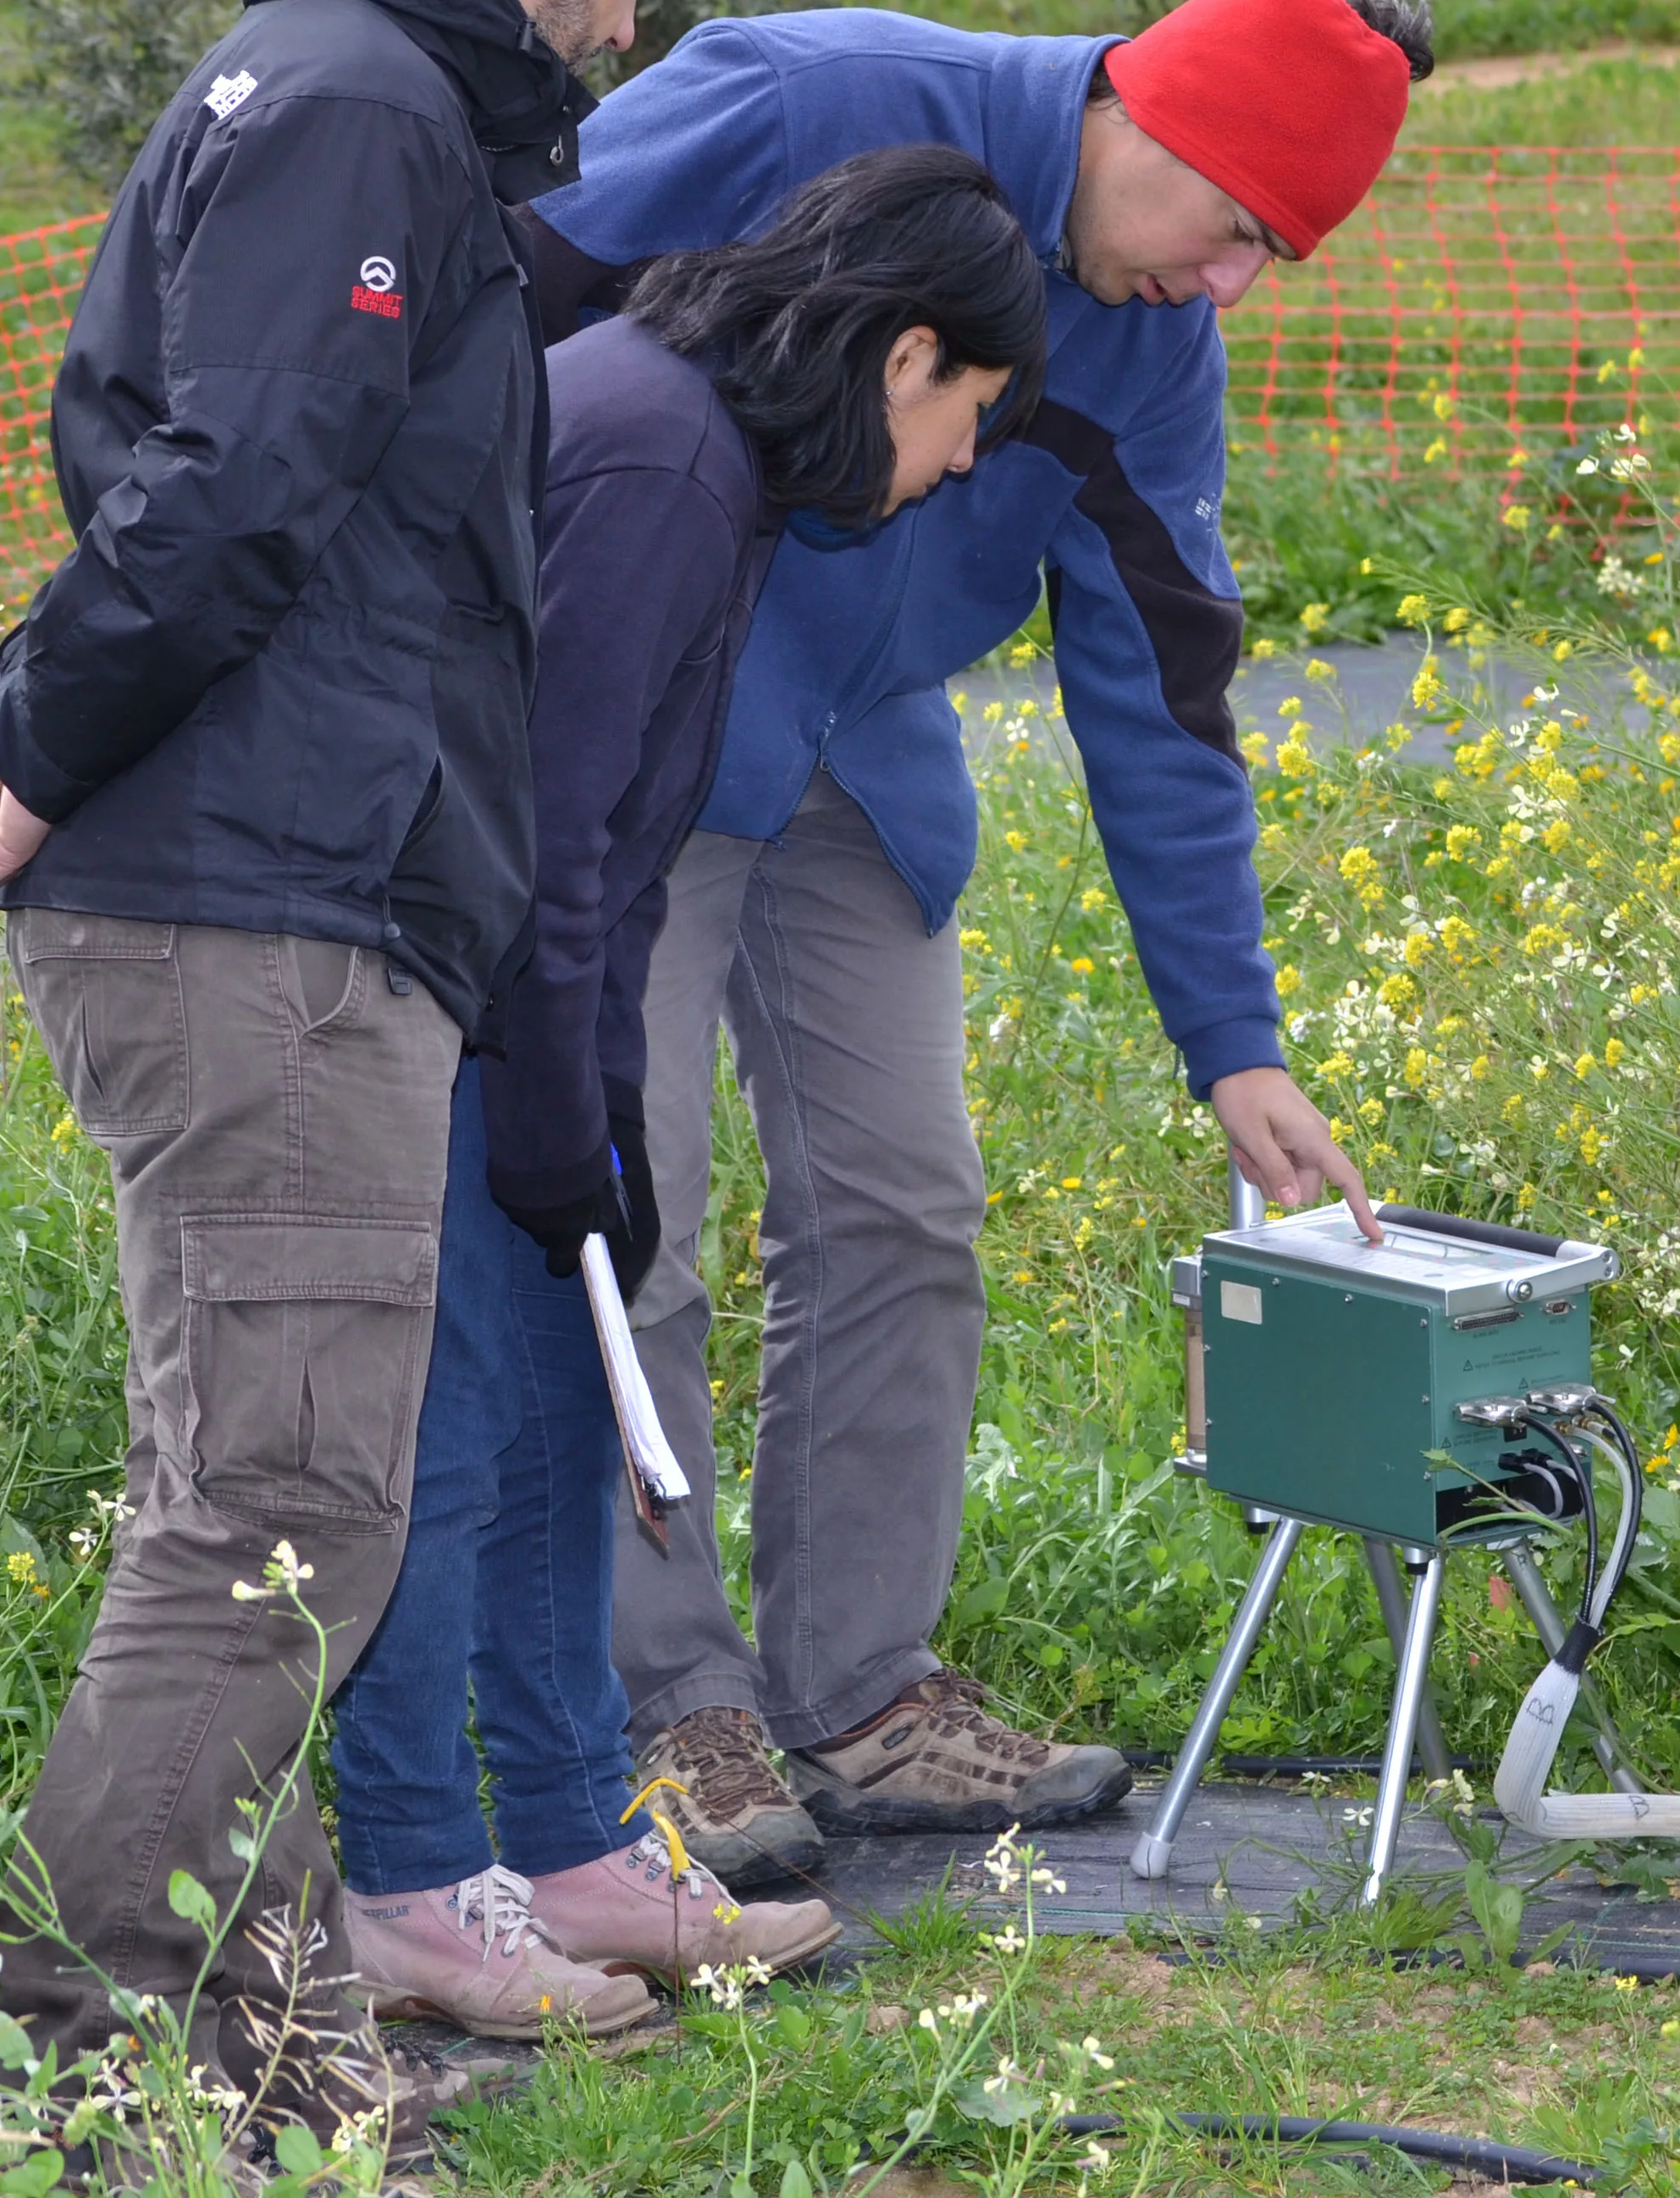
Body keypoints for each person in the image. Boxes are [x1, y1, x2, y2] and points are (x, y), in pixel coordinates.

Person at [0, 0, 695, 2139]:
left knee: (277, 1504)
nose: (633, 33)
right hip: (272, 900)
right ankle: (78, 2080)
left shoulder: (350, 90)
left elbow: (235, 475)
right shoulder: (356, 102)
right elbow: (237, 483)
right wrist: (37, 733)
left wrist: (41, 723)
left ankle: (260, 2051)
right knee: (276, 1518)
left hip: (302, 874)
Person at [516, 0, 1432, 1882]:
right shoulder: (802, 102)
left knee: (904, 1201)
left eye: (1278, 258)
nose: (1232, 284)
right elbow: (484, 285)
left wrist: (1234, 1038)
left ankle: (858, 1692)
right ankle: (664, 1706)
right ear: (1149, 120)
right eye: (1237, 229)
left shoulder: (1152, 341)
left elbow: (1164, 687)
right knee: (632, 1211)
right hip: (628, 741)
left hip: (863, 771)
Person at [324, 145, 1049, 2027]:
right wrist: (567, 1125)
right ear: (905, 360)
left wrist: (602, 1131)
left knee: (576, 1390)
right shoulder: (659, 460)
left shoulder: (709, 459)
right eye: (973, 411)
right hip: (398, 955)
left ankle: (572, 1847)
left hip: (490, 963)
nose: (966, 461)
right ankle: (409, 1880)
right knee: (461, 1419)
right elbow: (551, 841)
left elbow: (618, 837)